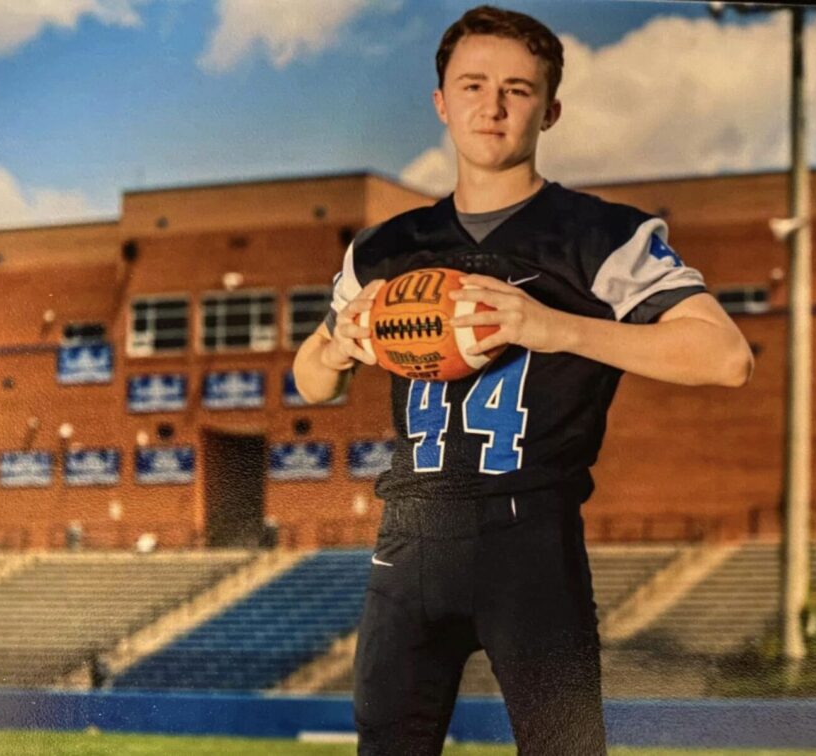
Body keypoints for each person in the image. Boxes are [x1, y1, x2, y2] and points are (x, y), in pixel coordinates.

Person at [293, 5, 754, 754]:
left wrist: (556, 328)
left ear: (551, 109)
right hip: (408, 539)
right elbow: (312, 382)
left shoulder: (600, 235)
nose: (493, 105)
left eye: (517, 88)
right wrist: (339, 345)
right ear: (441, 102)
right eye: (472, 85)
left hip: (529, 537)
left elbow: (725, 357)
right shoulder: (386, 248)